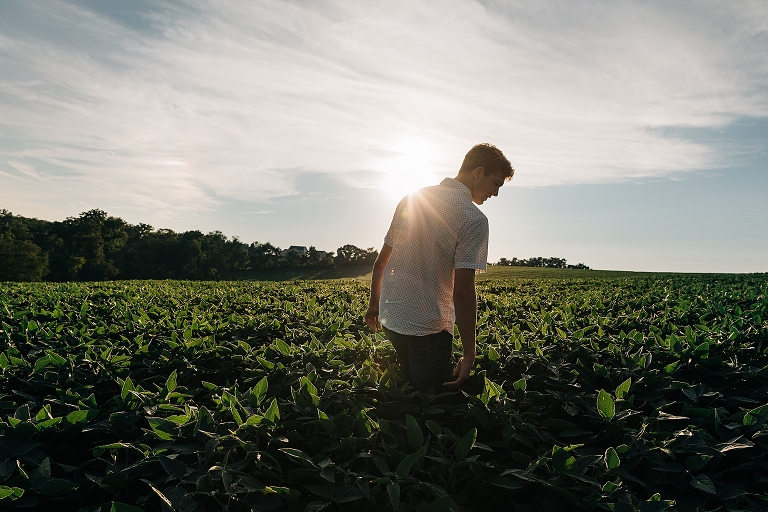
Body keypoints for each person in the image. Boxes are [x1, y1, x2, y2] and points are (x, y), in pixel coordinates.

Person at [365, 143, 514, 392]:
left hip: (392, 320)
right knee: (429, 403)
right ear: (478, 172)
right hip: (429, 329)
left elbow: (382, 262)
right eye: (496, 183)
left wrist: (373, 305)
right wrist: (469, 352)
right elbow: (463, 291)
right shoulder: (473, 218)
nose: (495, 193)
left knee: (401, 393)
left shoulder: (412, 198)